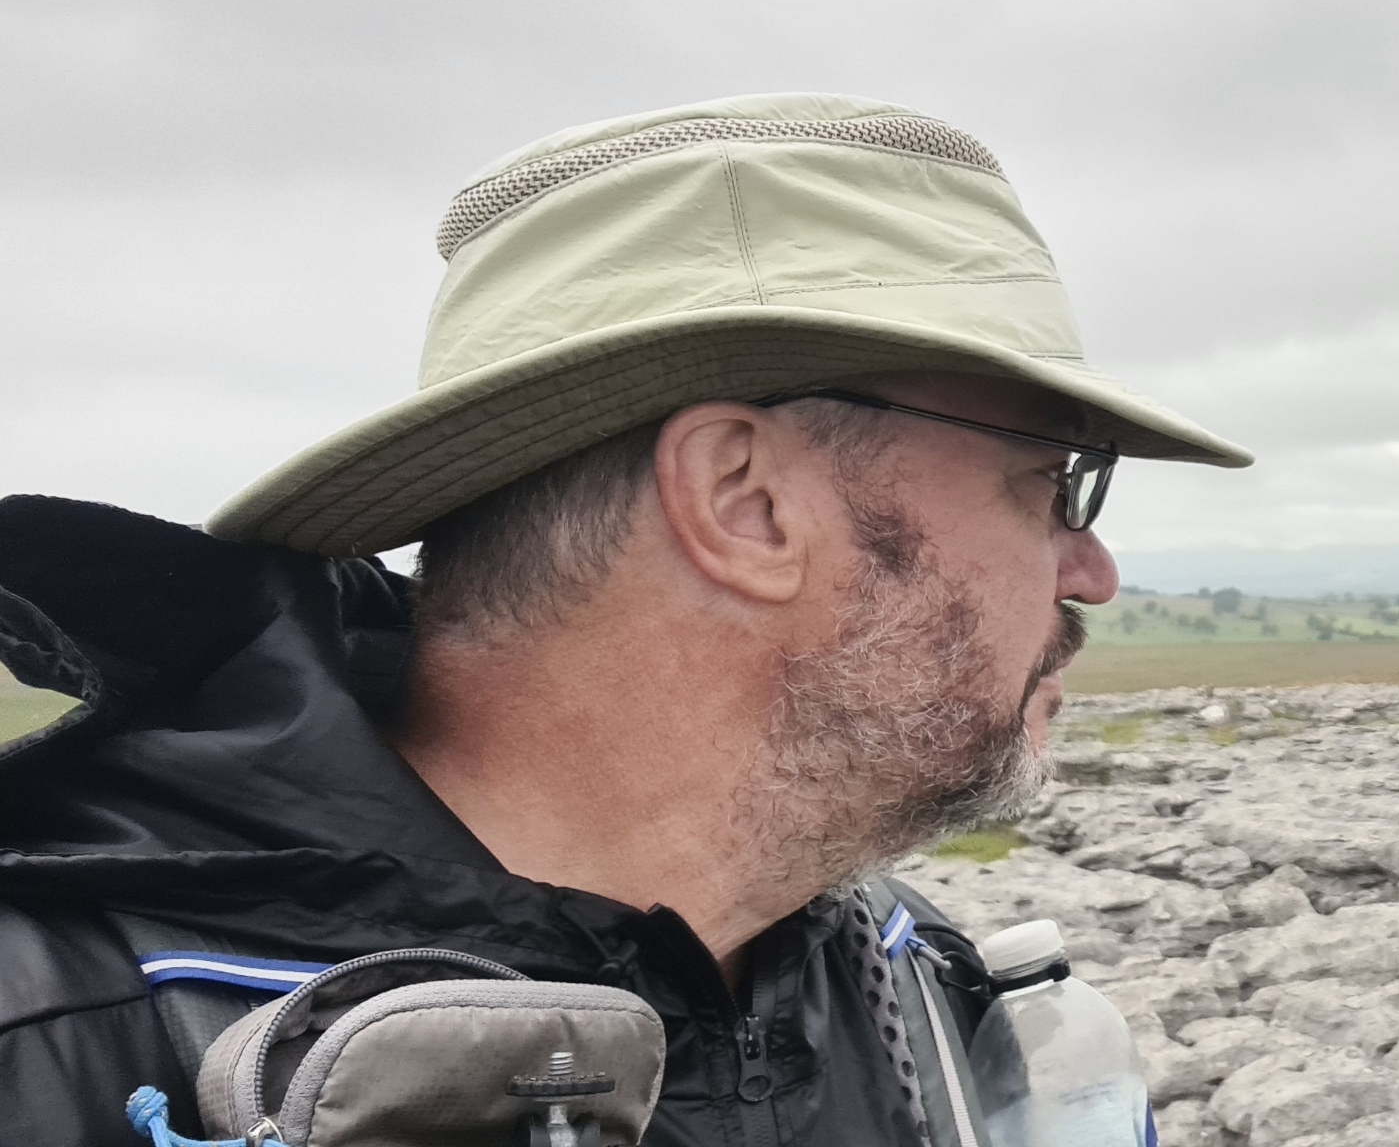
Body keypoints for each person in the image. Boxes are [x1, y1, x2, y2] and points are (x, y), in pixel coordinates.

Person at [0, 94, 1248, 1143]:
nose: (1090, 571)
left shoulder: (921, 995)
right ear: (745, 502)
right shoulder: (57, 1043)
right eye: (1053, 480)